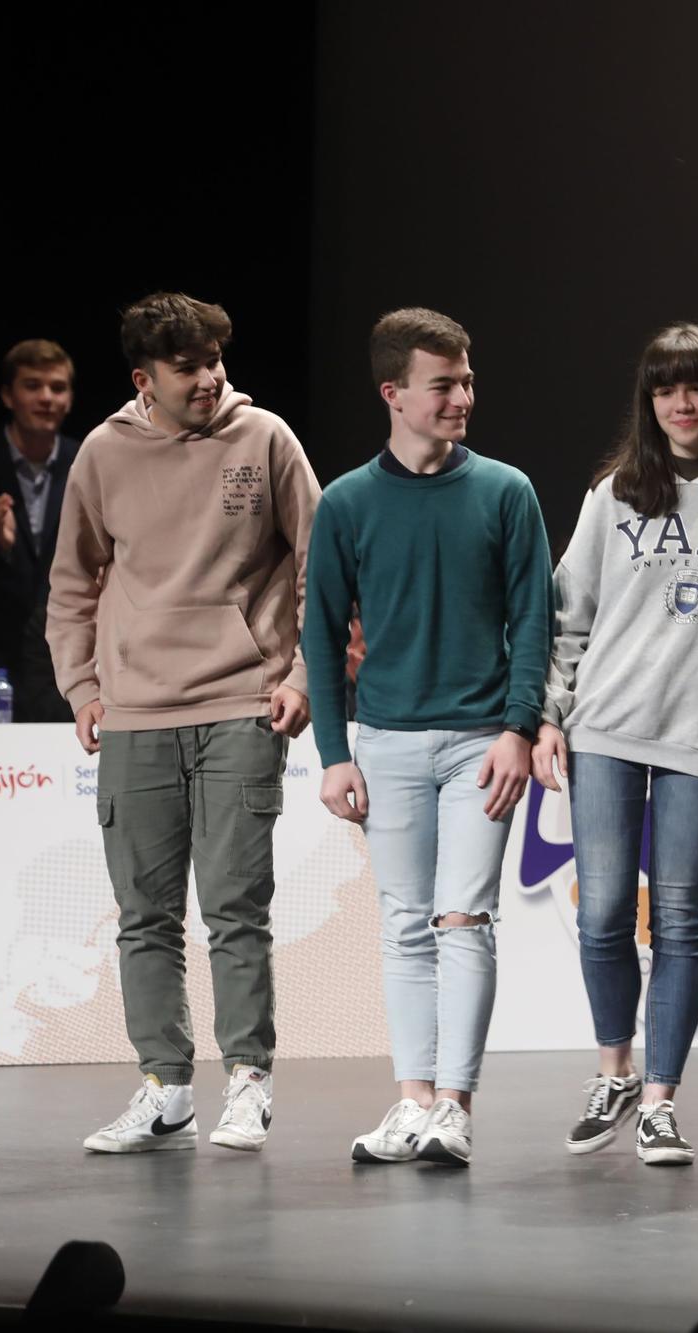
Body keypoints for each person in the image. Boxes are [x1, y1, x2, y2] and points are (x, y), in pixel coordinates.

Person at [48, 293, 320, 1153]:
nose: (209, 380)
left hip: (242, 699)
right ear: (144, 379)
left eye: (215, 361)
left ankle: (248, 1079)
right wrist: (82, 684)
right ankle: (165, 1086)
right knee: (145, 914)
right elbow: (72, 581)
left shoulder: (266, 438)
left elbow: (324, 563)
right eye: (187, 367)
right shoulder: (102, 451)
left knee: (236, 908)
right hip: (134, 713)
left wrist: (306, 674)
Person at [306, 307, 552, 1169]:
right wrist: (333, 752)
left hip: (481, 738)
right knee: (407, 922)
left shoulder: (506, 491)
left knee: (464, 917)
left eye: (467, 380)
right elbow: (321, 633)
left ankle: (456, 1104)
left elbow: (534, 621)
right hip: (386, 742)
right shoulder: (346, 502)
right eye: (443, 384)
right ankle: (412, 1100)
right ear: (394, 394)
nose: (462, 397)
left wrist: (519, 727)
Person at [533, 324, 698, 1165]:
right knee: (602, 914)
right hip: (605, 730)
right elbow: (568, 620)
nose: (681, 404)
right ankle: (615, 1072)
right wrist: (549, 716)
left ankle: (663, 1101)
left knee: (678, 920)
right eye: (664, 389)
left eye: (696, 387)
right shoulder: (613, 495)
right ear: (649, 403)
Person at [0, 340, 83, 721]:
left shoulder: (87, 462)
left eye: (58, 388)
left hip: (63, 664)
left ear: (70, 398)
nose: (46, 398)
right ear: (8, 395)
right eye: (32, 385)